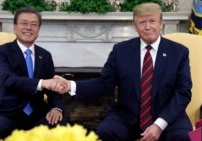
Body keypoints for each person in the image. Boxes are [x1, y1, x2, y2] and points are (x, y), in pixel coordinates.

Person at [54, 3, 193, 141]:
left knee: (183, 137)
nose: (148, 27)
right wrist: (70, 86)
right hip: (128, 115)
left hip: (168, 117)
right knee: (105, 131)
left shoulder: (179, 52)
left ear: (161, 23)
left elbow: (183, 92)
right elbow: (104, 83)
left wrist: (159, 124)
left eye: (152, 21)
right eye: (142, 22)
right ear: (135, 26)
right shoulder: (121, 51)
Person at [0, 7, 67, 141]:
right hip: (7, 112)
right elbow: (7, 79)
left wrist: (56, 108)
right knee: (0, 128)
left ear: (38, 29)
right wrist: (42, 83)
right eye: (24, 23)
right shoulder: (1, 52)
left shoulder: (45, 55)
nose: (29, 28)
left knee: (60, 124)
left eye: (34, 24)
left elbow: (53, 91)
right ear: (15, 27)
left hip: (36, 113)